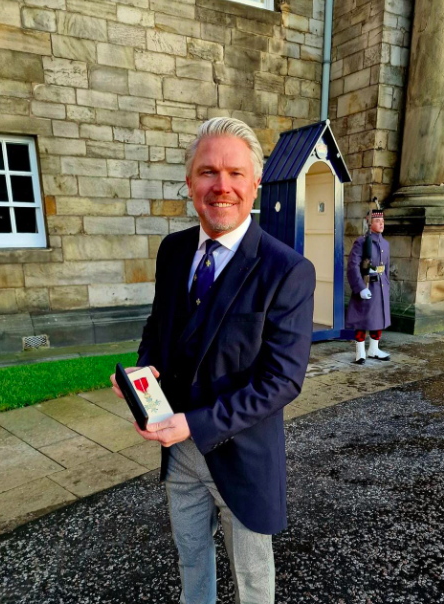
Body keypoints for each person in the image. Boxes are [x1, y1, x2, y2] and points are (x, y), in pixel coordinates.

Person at [109, 117, 315, 604]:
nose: (221, 186)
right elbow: (157, 331)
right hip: (178, 453)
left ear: (256, 183)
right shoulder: (173, 250)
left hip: (242, 456)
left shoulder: (287, 270)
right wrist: (143, 374)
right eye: (207, 172)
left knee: (253, 582)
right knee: (191, 560)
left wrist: (194, 424)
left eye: (235, 173)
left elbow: (282, 381)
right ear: (190, 182)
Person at [345, 206, 391, 363]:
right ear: (369, 223)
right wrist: (359, 287)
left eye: (382, 221)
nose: (381, 223)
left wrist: (386, 284)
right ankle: (360, 352)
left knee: (378, 319)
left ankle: (374, 349)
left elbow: (386, 268)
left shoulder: (385, 244)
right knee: (362, 319)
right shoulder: (362, 242)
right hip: (367, 285)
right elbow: (352, 266)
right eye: (377, 221)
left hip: (380, 286)